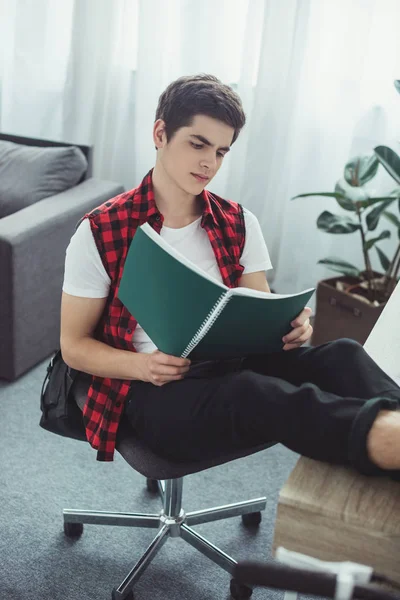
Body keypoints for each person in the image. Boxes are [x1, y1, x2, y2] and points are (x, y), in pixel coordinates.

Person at [61, 73, 400, 479]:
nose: (209, 162)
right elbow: (74, 347)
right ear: (160, 133)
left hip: (229, 366)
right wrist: (143, 366)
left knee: (342, 353)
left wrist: (293, 328)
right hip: (151, 391)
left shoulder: (237, 221)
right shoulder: (101, 230)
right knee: (252, 393)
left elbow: (259, 316)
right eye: (198, 144)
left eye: (221, 151)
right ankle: (381, 441)